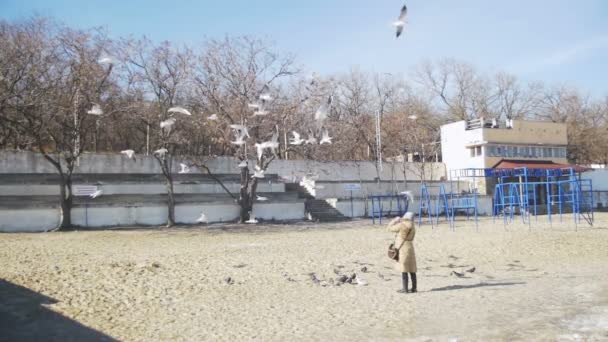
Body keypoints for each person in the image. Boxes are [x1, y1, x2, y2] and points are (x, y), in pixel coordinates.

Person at [387, 212, 417, 293]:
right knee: (412, 268)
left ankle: (405, 289)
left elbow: (389, 228)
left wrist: (395, 220)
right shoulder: (413, 226)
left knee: (404, 269)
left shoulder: (401, 225)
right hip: (410, 247)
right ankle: (414, 288)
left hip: (402, 248)